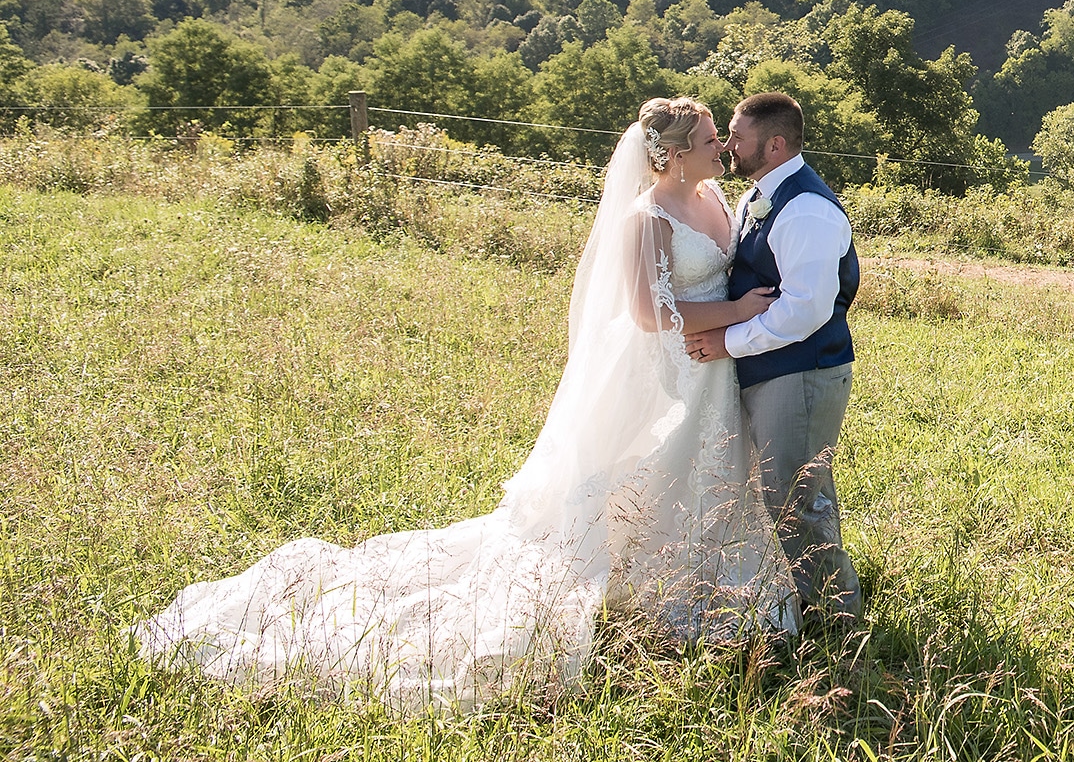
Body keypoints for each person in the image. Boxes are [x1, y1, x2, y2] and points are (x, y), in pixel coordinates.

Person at [136, 98, 800, 712]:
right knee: (643, 477)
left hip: (710, 373)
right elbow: (649, 311)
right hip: (668, 369)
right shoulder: (646, 217)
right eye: (713, 139)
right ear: (676, 153)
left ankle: (703, 593)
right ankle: (644, 595)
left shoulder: (714, 195)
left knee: (701, 479)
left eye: (723, 138)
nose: (724, 148)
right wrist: (737, 311)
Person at [681, 91, 862, 620]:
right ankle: (801, 597)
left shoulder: (806, 209)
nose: (729, 145)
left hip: (801, 371)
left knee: (793, 496)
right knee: (784, 489)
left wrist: (728, 341)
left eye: (738, 136)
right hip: (771, 368)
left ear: (776, 145)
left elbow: (807, 310)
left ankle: (838, 614)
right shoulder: (759, 193)